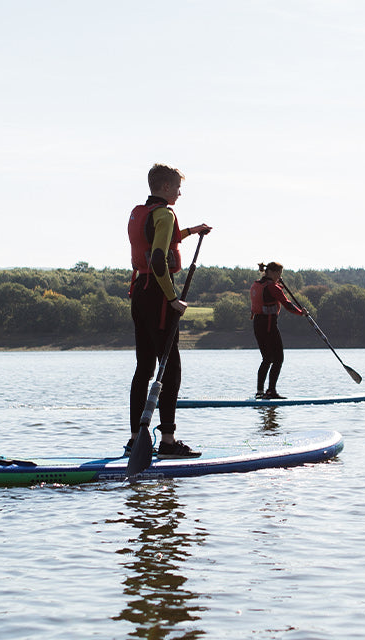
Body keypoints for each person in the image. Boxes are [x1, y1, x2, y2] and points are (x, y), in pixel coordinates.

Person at [128, 164, 211, 458]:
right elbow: (160, 260)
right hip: (158, 295)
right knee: (170, 367)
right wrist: (173, 297)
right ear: (165, 187)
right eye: (177, 187)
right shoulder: (165, 214)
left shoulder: (142, 212)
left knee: (144, 367)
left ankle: (135, 439)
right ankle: (167, 441)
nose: (179, 192)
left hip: (139, 292)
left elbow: (159, 242)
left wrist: (192, 231)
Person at [250, 262, 307, 399]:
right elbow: (287, 304)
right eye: (279, 274)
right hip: (269, 325)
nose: (280, 277)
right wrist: (301, 313)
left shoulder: (257, 285)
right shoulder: (272, 287)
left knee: (267, 358)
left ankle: (260, 391)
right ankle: (271, 391)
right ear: (271, 272)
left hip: (258, 324)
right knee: (278, 358)